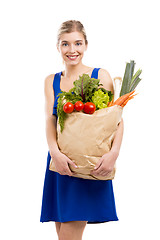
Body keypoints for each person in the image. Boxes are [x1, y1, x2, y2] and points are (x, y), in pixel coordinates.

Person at [40, 20, 124, 240]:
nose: (72, 50)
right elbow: (50, 120)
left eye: (78, 43)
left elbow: (115, 119)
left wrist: (113, 154)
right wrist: (55, 154)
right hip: (61, 163)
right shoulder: (51, 81)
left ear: (86, 45)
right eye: (65, 44)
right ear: (58, 47)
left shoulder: (100, 76)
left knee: (69, 233)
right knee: (62, 231)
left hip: (87, 162)